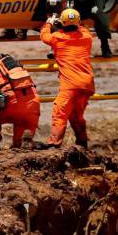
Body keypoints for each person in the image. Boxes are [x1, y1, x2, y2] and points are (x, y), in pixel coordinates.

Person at [40, 8, 94, 148]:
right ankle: (82, 142)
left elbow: (44, 36)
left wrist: (49, 23)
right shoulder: (87, 37)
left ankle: (54, 144)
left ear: (62, 23)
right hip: (87, 84)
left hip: (70, 85)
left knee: (60, 112)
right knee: (76, 115)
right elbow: (82, 29)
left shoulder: (58, 37)